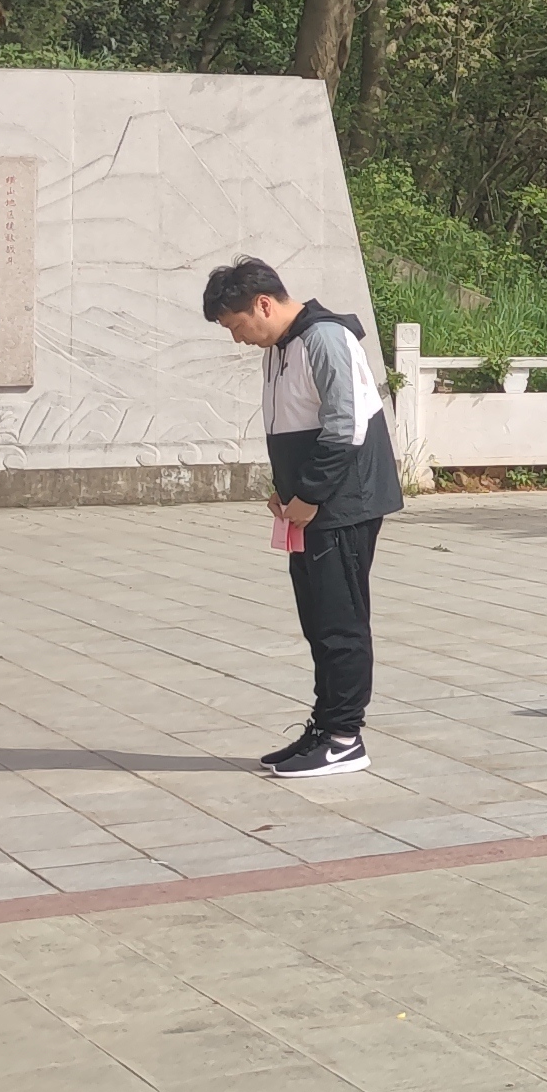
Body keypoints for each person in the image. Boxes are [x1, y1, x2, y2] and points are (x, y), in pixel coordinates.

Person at [204, 259, 402, 779]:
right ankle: (324, 726)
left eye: (237, 325)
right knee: (317, 621)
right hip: (310, 507)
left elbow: (346, 426)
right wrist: (287, 491)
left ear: (263, 304)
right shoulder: (280, 348)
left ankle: (345, 737)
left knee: (341, 622)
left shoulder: (326, 338)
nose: (237, 338)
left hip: (343, 503)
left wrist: (309, 495)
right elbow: (295, 425)